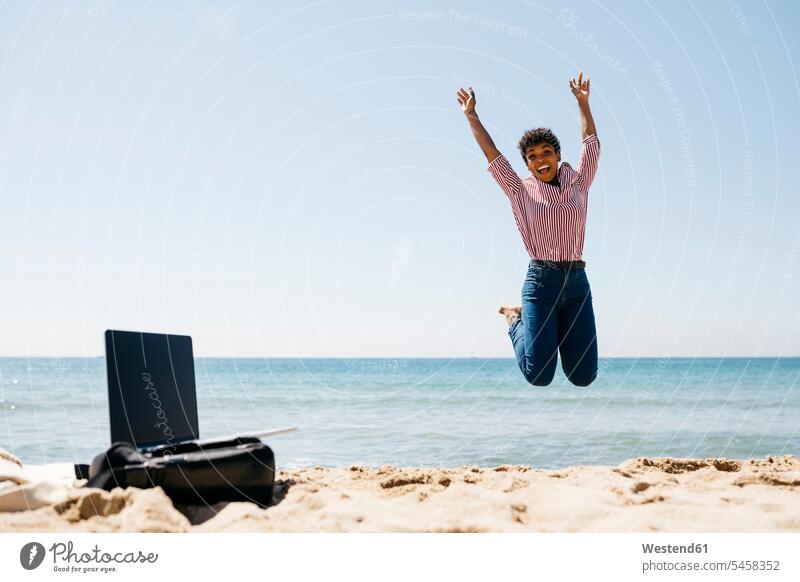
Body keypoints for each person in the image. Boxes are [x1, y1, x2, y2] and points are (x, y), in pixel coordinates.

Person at [456, 72, 600, 386]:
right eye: (532, 157)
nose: (540, 160)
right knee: (539, 376)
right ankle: (514, 318)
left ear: (557, 155)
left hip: (576, 284)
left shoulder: (580, 182)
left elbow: (590, 142)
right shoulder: (519, 190)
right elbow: (492, 153)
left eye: (546, 153)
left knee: (583, 376)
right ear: (528, 164)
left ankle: (551, 329)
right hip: (541, 285)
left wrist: (583, 102)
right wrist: (472, 116)